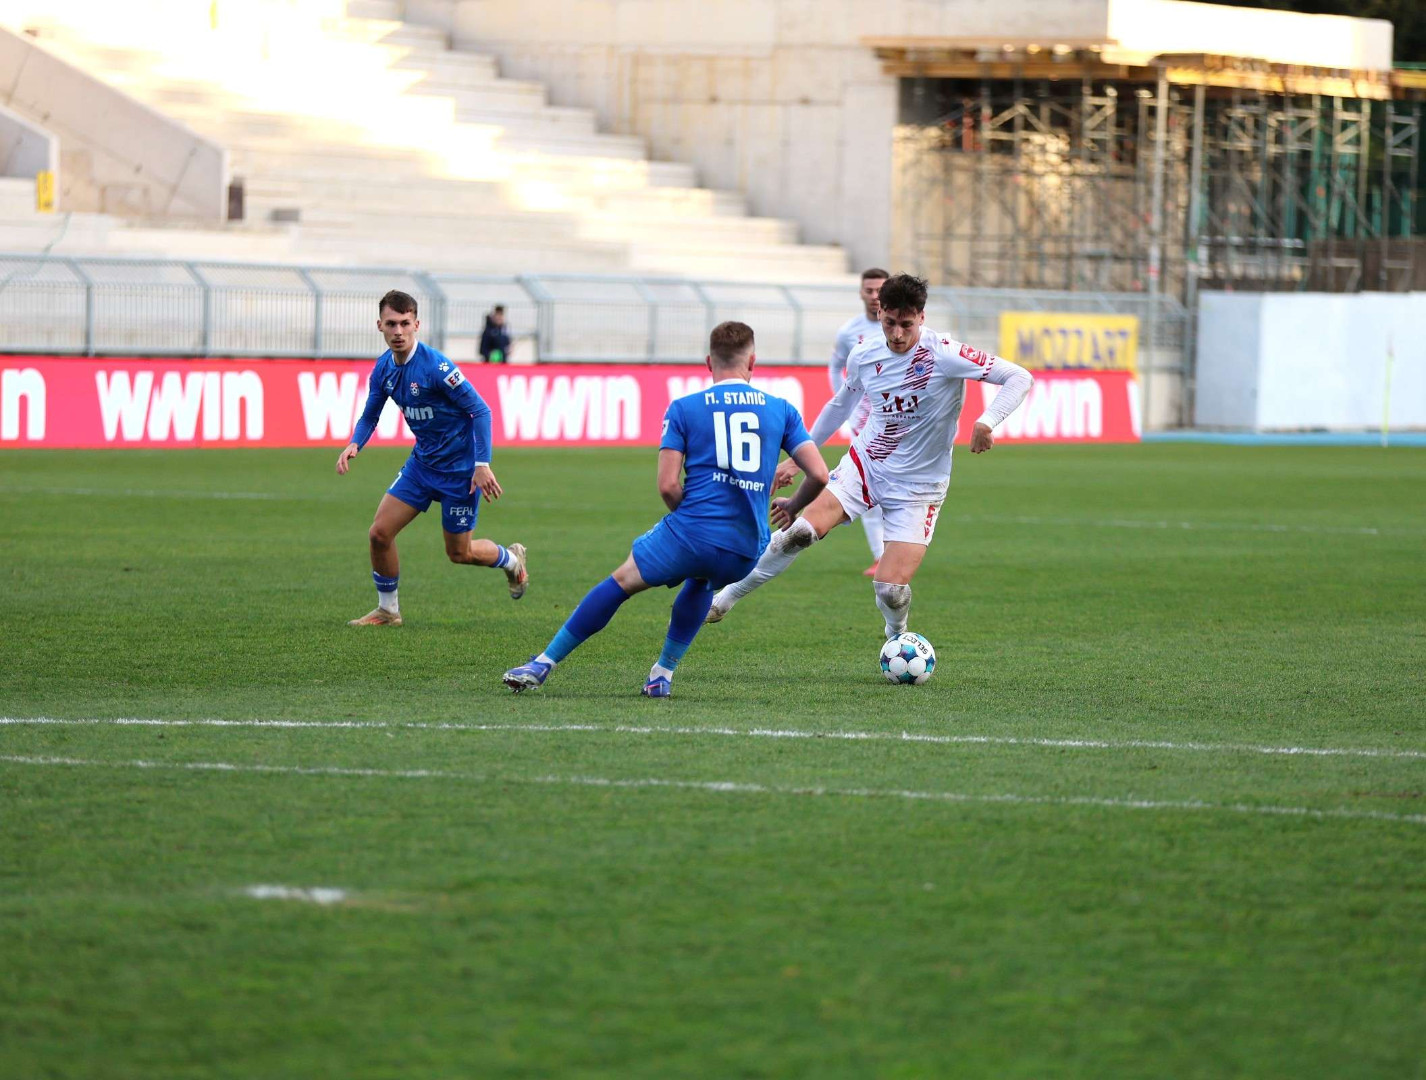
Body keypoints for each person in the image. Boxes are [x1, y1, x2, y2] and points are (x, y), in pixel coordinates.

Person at [503, 321, 828, 697]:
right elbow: (819, 473)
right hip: (745, 549)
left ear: (709, 362)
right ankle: (662, 675)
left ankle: (543, 663)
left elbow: (667, 485)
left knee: (621, 582)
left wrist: (691, 519)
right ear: (752, 361)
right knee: (703, 579)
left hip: (693, 534)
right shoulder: (782, 410)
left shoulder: (685, 408)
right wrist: (792, 505)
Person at [705, 273, 1033, 640]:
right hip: (867, 466)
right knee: (797, 534)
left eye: (906, 325)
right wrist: (797, 459)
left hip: (920, 486)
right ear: (880, 314)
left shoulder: (945, 353)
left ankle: (897, 637)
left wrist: (987, 421)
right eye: (890, 323)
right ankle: (723, 600)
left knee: (890, 590)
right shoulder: (864, 353)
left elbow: (1019, 377)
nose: (897, 334)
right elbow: (839, 406)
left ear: (921, 318)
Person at [336, 289, 527, 626]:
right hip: (422, 466)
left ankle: (512, 560)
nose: (398, 331)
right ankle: (388, 610)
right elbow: (370, 415)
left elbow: (481, 411)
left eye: (404, 323)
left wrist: (481, 465)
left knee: (460, 553)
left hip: (460, 473)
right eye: (391, 324)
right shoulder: (383, 369)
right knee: (379, 533)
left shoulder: (437, 367)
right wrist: (356, 443)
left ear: (417, 325)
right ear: (379, 326)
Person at [830, 267, 889, 577]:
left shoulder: (900, 326)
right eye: (869, 290)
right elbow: (834, 366)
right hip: (864, 420)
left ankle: (897, 551)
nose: (875, 296)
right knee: (868, 485)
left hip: (896, 419)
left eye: (880, 290)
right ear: (861, 293)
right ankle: (880, 556)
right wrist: (844, 404)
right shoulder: (849, 332)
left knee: (897, 486)